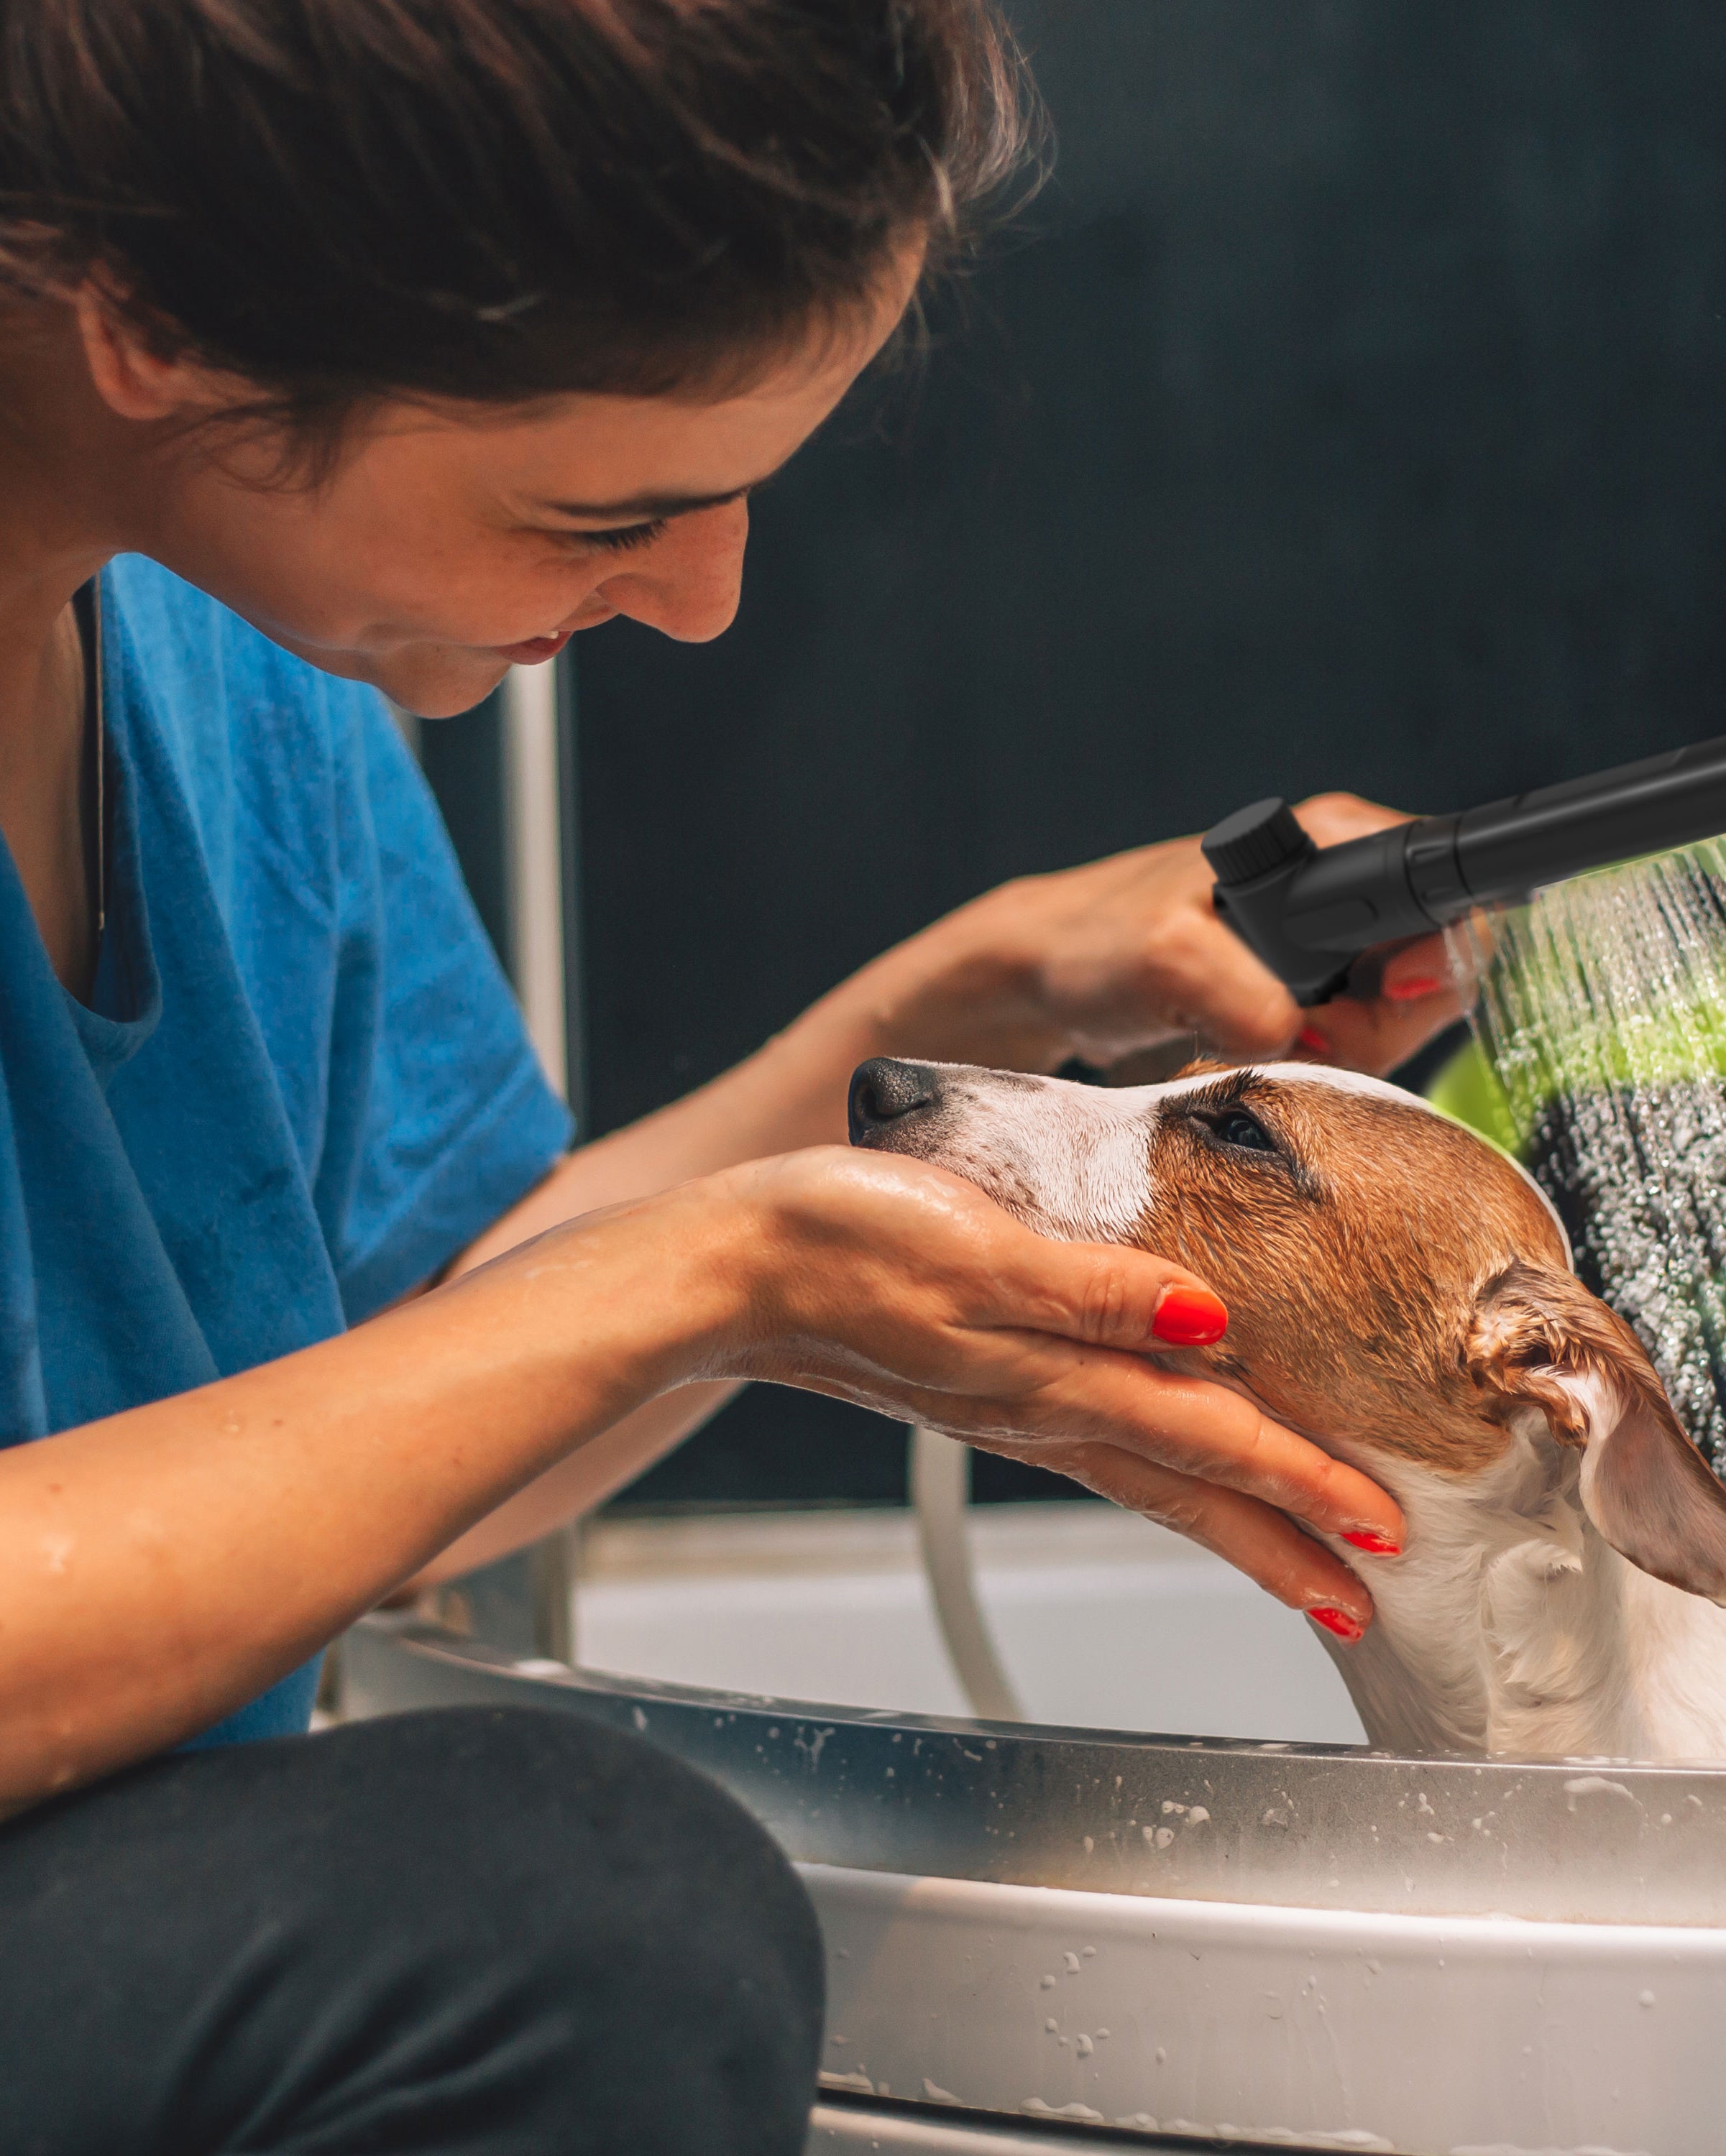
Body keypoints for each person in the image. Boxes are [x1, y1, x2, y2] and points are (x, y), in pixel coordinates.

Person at [0, 1, 1469, 2147]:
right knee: (558, 1911)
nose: (703, 603)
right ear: (159, 330)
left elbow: (382, 1431)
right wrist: (703, 1278)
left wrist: (957, 1033)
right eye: (603, 508)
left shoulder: (227, 640)